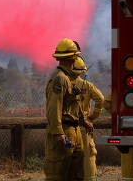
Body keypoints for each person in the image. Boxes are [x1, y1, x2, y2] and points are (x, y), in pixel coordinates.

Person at [44, 38, 85, 181]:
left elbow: (72, 106)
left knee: (75, 175)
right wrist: (58, 133)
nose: (76, 59)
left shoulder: (67, 78)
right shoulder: (60, 79)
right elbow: (54, 107)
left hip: (73, 130)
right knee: (57, 174)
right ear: (73, 57)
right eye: (76, 56)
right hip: (64, 131)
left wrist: (83, 122)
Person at [103, 92, 133, 181]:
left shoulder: (122, 84)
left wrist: (117, 114)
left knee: (126, 158)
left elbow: (106, 103)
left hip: (125, 128)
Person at [70, 56, 103, 181]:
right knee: (88, 156)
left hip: (67, 128)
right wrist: (94, 116)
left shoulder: (62, 84)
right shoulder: (87, 86)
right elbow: (100, 99)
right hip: (84, 128)